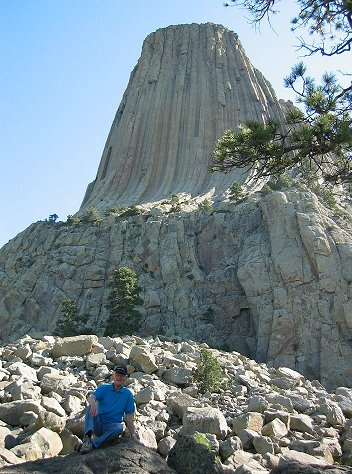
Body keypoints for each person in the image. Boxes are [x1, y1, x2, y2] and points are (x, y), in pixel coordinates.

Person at [78, 365, 138, 454]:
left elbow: (129, 417)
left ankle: (92, 444)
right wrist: (94, 404)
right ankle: (87, 438)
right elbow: (91, 397)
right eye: (117, 374)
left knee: (119, 428)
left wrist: (133, 435)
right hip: (98, 423)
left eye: (122, 375)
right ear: (113, 376)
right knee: (90, 407)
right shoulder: (104, 388)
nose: (119, 377)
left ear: (126, 378)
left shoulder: (128, 395)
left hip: (111, 427)